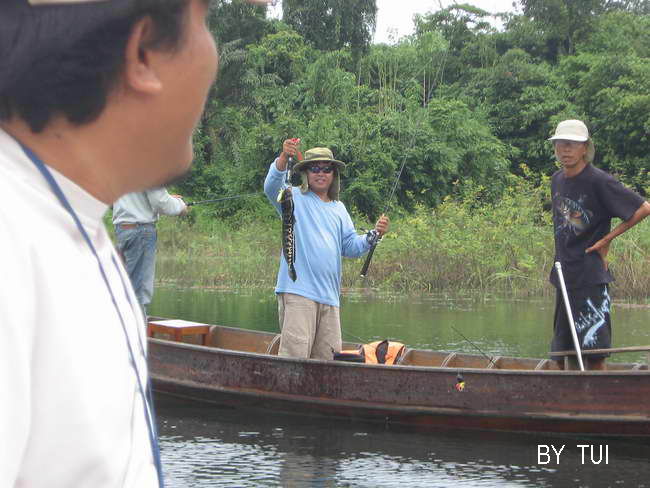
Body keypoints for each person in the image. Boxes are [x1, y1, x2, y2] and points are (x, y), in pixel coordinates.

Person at [0, 0, 220, 486]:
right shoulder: (10, 242)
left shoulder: (72, 218)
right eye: (206, 20)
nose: (214, 56)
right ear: (141, 52)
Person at [264, 139, 390, 360]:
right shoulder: (292, 197)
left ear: (333, 174)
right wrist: (284, 157)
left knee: (328, 362)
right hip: (298, 293)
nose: (320, 173)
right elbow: (271, 186)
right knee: (294, 359)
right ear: (305, 173)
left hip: (330, 298)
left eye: (326, 168)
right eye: (314, 168)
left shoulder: (339, 208)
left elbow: (350, 246)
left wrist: (372, 236)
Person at [548, 119, 650, 370]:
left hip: (591, 274)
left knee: (594, 354)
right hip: (565, 273)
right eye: (561, 144)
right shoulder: (557, 180)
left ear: (585, 148)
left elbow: (643, 208)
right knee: (563, 353)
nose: (565, 150)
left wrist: (606, 240)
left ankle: (599, 401)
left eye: (572, 144)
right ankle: (569, 404)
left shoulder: (598, 180)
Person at [113, 189, 188, 314]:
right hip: (141, 233)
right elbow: (161, 202)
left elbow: (137, 199)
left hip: (123, 230)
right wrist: (180, 206)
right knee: (139, 293)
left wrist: (169, 198)